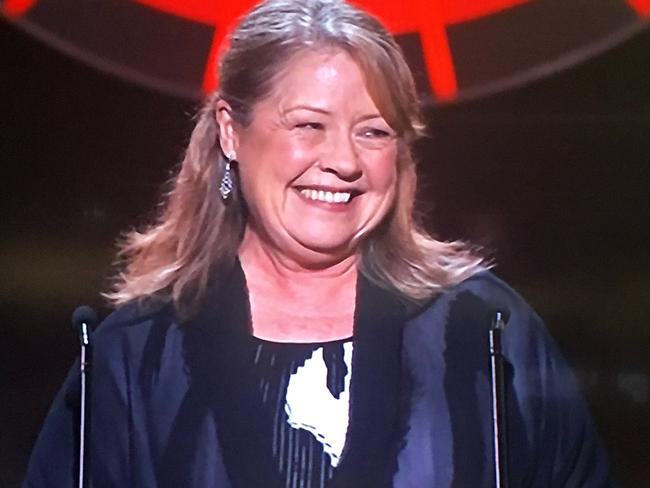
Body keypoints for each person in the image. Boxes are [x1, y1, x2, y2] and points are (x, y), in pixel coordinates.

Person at [24, 0, 613, 486]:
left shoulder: (486, 333)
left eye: (374, 132)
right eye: (309, 125)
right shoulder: (136, 355)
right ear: (231, 131)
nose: (343, 161)